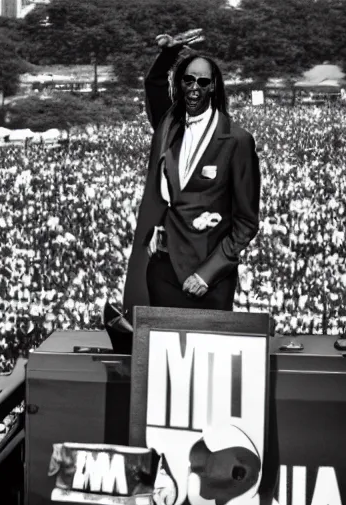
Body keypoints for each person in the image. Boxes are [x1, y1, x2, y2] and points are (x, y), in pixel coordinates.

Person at [123, 29, 261, 319]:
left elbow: (247, 222)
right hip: (164, 267)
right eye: (188, 79)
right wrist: (170, 54)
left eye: (202, 81)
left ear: (213, 87)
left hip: (208, 276)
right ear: (180, 83)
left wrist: (208, 274)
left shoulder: (237, 141)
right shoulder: (170, 126)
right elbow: (153, 83)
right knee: (162, 355)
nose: (194, 87)